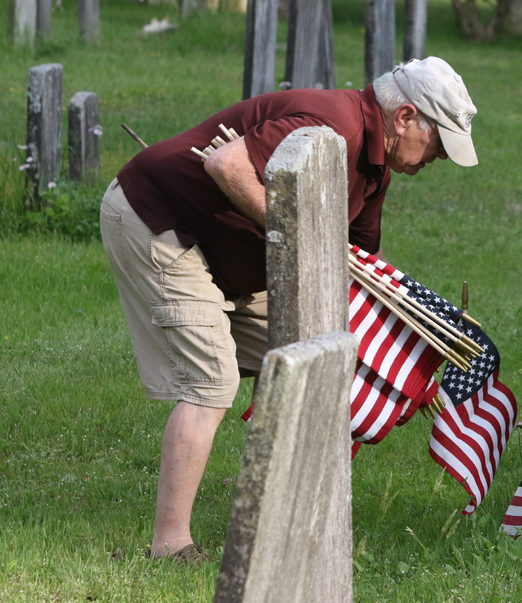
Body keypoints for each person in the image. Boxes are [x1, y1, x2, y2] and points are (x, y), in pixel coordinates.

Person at [99, 56, 478, 562]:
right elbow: (225, 164)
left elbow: (360, 267)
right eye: (439, 144)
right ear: (406, 117)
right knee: (211, 380)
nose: (439, 159)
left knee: (308, 357)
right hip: (159, 221)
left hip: (222, 253)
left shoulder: (373, 169)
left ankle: (277, 513)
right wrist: (304, 232)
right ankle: (170, 544)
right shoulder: (331, 125)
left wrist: (409, 357)